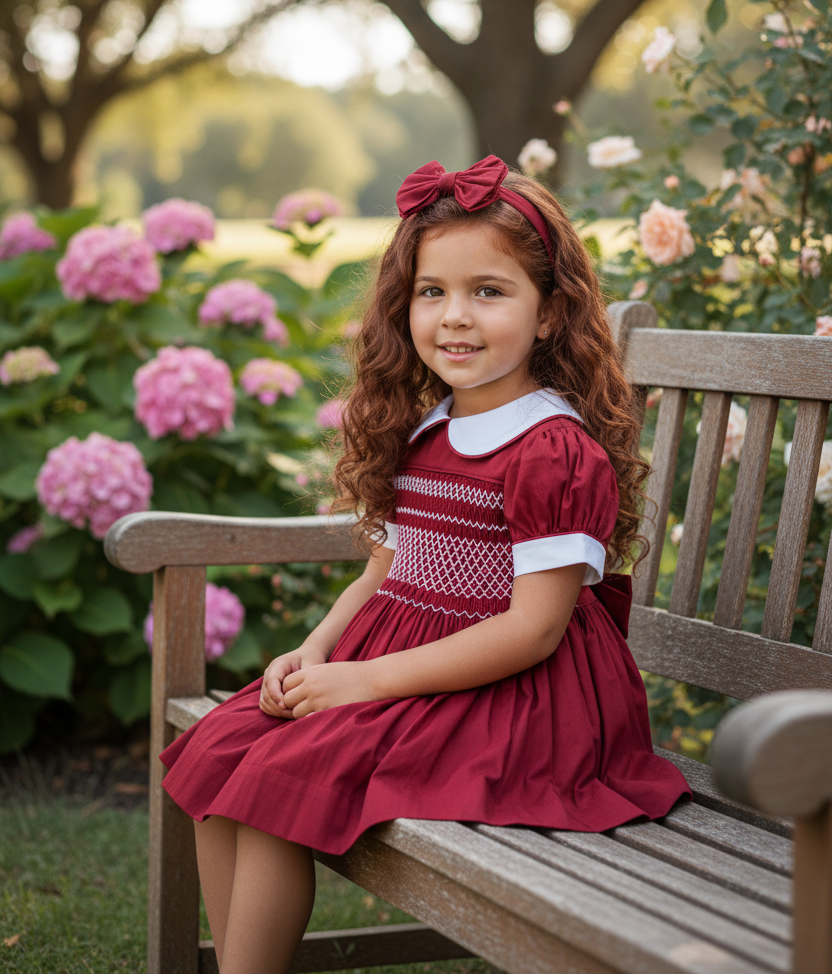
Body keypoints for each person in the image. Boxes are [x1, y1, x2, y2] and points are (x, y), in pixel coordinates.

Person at [160, 155, 690, 974]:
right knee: (224, 749)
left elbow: (534, 632)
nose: (455, 318)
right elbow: (380, 574)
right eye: (432, 292)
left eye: (490, 291)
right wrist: (316, 652)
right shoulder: (430, 429)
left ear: (549, 314)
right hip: (409, 666)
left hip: (520, 702)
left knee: (270, 785)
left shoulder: (552, 450)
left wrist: (361, 683)